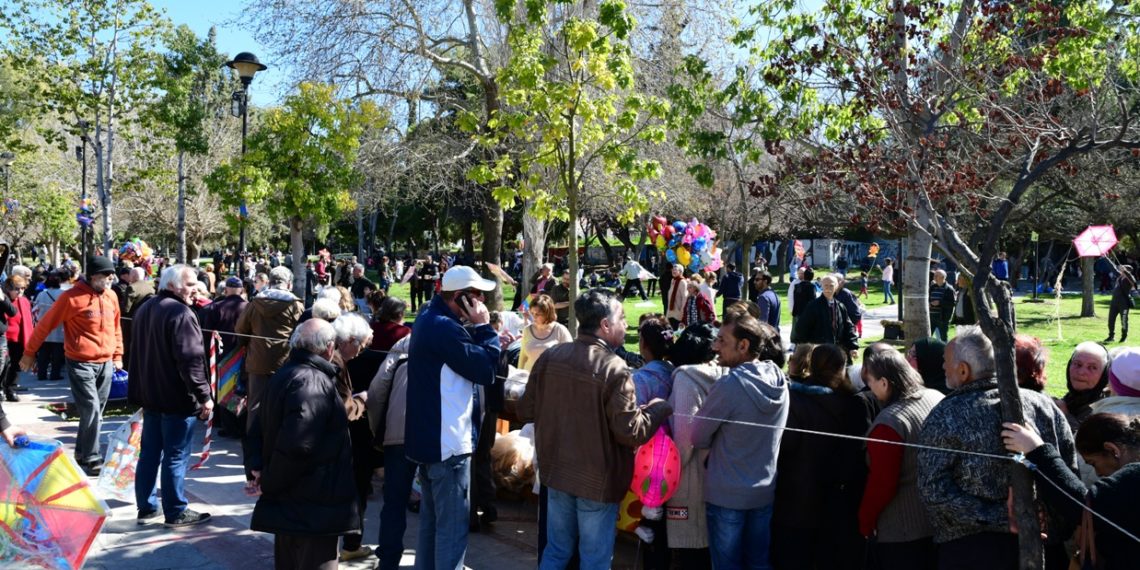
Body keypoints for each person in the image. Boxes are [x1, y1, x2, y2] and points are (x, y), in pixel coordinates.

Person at [516, 289, 672, 569]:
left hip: (557, 473)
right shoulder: (614, 367)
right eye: (622, 318)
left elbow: (525, 409)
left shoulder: (552, 357)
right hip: (595, 483)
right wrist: (659, 407)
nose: (626, 325)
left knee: (556, 551)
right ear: (605, 325)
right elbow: (631, 431)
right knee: (594, 560)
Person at [917, 326, 1076, 570]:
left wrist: (1004, 517)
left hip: (977, 553)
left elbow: (932, 490)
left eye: (945, 362)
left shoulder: (946, 414)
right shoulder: (1045, 405)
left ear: (963, 370)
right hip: (1037, 544)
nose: (942, 368)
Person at [404, 265, 500, 570]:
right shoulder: (444, 328)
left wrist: (473, 332)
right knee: (452, 532)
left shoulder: (428, 318)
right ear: (459, 297)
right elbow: (486, 371)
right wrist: (485, 329)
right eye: (476, 295)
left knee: (432, 527)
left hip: (431, 440)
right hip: (448, 445)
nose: (482, 299)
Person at [246, 319, 358, 570]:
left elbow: (258, 429)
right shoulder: (311, 381)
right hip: (312, 504)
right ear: (329, 347)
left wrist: (260, 471)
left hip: (296, 503)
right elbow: (297, 444)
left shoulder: (288, 372)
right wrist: (265, 479)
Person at [690, 316, 789, 570]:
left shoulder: (729, 385)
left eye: (722, 341)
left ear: (743, 345)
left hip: (727, 497)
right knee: (758, 563)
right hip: (763, 492)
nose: (714, 346)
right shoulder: (778, 378)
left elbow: (697, 434)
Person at [127, 264, 213, 528]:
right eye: (189, 285)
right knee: (174, 455)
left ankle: (147, 506)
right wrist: (204, 396)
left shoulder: (147, 308)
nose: (195, 290)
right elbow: (191, 360)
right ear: (173, 285)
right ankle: (175, 510)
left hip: (151, 395)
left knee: (150, 454)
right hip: (174, 397)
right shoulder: (180, 313)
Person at [21, 256, 123, 476]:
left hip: (105, 362)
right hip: (80, 362)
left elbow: (116, 328)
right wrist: (29, 353)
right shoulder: (70, 298)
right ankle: (93, 456)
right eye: (106, 275)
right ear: (93, 276)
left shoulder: (112, 296)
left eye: (111, 275)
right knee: (92, 409)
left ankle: (81, 452)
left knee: (94, 412)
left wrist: (118, 355)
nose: (110, 279)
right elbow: (45, 325)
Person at [771, 344, 870, 569]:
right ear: (842, 368)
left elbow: (785, 445)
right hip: (834, 499)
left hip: (796, 498)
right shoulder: (852, 402)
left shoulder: (795, 399)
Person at [1002, 413, 1140, 570]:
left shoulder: (1135, 475)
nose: (1098, 474)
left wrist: (1037, 450)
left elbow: (1084, 505)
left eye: (1093, 463)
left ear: (1112, 450)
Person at [858, 347, 943, 569]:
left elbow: (882, 484)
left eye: (872, 382)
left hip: (902, 532)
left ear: (885, 383)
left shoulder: (889, 423)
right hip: (937, 520)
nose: (870, 388)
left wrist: (865, 522)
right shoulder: (936, 397)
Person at [665, 324, 724, 569]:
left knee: (691, 550)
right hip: (716, 474)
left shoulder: (686, 379)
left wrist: (666, 477)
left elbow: (684, 437)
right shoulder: (723, 373)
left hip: (689, 477)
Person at [235, 266, 305, 441]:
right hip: (285, 362)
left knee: (255, 405)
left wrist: (248, 346)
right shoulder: (295, 305)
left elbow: (240, 330)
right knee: (283, 404)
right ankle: (278, 442)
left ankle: (253, 445)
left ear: (270, 282)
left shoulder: (255, 303)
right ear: (288, 283)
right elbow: (302, 333)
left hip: (257, 361)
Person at [330, 313, 377, 562]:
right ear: (348, 340)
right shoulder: (334, 362)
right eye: (360, 345)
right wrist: (361, 400)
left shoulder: (340, 357)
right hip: (345, 441)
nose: (361, 351)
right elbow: (345, 409)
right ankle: (348, 544)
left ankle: (348, 543)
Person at [367, 333, 414, 570]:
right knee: (437, 506)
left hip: (398, 433)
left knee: (394, 502)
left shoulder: (405, 343)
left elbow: (377, 390)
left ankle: (388, 561)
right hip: (439, 436)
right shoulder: (457, 337)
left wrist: (379, 430)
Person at [197, 276, 249, 438]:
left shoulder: (216, 307)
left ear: (226, 290)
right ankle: (240, 424)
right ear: (241, 290)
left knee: (223, 391)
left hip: (221, 356)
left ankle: (226, 425)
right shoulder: (248, 307)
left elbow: (207, 335)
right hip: (243, 354)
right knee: (240, 391)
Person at [791, 275, 859, 360]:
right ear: (821, 286)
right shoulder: (813, 306)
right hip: (818, 353)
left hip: (836, 353)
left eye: (831, 285)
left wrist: (853, 346)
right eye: (826, 285)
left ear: (836, 286)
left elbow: (849, 327)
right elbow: (801, 329)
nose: (828, 288)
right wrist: (808, 349)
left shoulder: (840, 306)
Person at [1058, 342, 1112, 428]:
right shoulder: (1071, 398)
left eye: (1092, 367)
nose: (1081, 372)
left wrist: (1064, 415)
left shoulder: (1106, 411)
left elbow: (1084, 440)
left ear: (1104, 374)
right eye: (1078, 364)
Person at [517, 294, 572, 372]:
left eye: (537, 314)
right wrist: (518, 376)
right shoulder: (527, 330)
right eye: (532, 313)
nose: (533, 317)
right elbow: (522, 358)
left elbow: (570, 358)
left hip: (551, 380)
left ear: (548, 314)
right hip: (528, 379)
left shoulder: (560, 330)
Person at [32, 271, 66, 382]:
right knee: (57, 354)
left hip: (44, 327)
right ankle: (55, 374)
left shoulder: (42, 294)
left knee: (43, 353)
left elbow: (35, 308)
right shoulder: (64, 294)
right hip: (58, 327)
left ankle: (41, 374)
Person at [1, 276, 30, 401]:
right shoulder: (3, 299)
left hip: (19, 338)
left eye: (23, 288)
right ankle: (1, 389)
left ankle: (10, 388)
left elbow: (28, 321)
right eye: (17, 289)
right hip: (5, 337)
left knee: (16, 365)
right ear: (8, 288)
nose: (20, 291)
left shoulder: (23, 301)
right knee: (4, 365)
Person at [1105, 264, 1136, 343]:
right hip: (1114, 303)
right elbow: (1113, 268)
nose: (1121, 270)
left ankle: (1124, 337)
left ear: (1128, 271)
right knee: (1111, 320)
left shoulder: (1130, 278)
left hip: (1124, 304)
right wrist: (1106, 258)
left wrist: (1125, 271)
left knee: (1124, 320)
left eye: (1123, 269)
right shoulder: (1119, 277)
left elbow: (1133, 281)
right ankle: (1111, 336)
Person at [928, 270, 956, 341]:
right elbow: (928, 298)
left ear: (943, 277)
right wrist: (928, 304)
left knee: (943, 338)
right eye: (934, 275)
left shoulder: (949, 289)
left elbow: (952, 303)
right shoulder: (932, 287)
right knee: (927, 336)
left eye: (936, 276)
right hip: (930, 316)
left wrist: (939, 303)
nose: (934, 277)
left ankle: (945, 351)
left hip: (942, 318)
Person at [835, 273, 864, 339]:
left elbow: (855, 313)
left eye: (837, 281)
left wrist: (849, 325)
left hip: (845, 326)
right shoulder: (831, 294)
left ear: (842, 282)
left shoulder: (846, 294)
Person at [665, 264, 689, 328]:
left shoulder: (683, 282)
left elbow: (685, 297)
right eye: (673, 269)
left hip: (678, 313)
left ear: (680, 272)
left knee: (677, 332)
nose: (673, 271)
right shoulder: (673, 280)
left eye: (675, 270)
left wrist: (682, 311)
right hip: (671, 311)